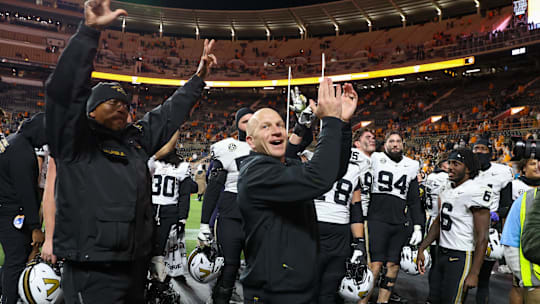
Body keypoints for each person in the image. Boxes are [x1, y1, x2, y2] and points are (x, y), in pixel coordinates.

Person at [44, 0, 216, 303]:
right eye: (112, 102)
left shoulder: (134, 141)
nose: (122, 107)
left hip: (135, 266)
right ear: (91, 111)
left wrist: (198, 80)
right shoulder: (73, 141)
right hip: (92, 268)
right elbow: (64, 92)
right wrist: (88, 34)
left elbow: (168, 115)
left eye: (126, 104)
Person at [237, 78, 355, 303]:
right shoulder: (256, 173)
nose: (277, 131)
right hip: (275, 292)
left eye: (280, 125)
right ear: (251, 141)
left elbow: (333, 171)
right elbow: (319, 177)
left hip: (299, 285)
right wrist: (330, 120)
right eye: (266, 126)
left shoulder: (287, 165)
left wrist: (342, 124)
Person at [311, 83, 364, 304]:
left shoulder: (347, 166)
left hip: (335, 230)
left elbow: (356, 207)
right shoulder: (303, 160)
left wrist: (342, 123)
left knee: (328, 292)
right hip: (312, 229)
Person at [417, 148, 491, 304]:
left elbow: (483, 236)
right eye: (449, 162)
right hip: (441, 252)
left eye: (456, 164)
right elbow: (439, 221)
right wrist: (423, 247)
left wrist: (474, 272)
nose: (450, 167)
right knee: (433, 298)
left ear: (468, 168)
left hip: (461, 256)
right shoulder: (447, 187)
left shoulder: (476, 190)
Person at [197, 107, 253, 303]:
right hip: (231, 214)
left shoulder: (269, 146)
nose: (250, 123)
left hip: (258, 218)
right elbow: (213, 188)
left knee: (259, 272)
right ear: (237, 124)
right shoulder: (227, 147)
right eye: (245, 121)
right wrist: (205, 223)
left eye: (253, 120)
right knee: (229, 267)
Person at [365, 131, 424, 304]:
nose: (395, 144)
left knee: (393, 265)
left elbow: (414, 200)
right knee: (374, 266)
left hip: (398, 221)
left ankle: (382, 301)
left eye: (398, 141)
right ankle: (363, 301)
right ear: (385, 145)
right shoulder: (375, 158)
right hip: (376, 218)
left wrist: (418, 226)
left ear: (403, 144)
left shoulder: (412, 165)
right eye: (391, 141)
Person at [0, 113, 47, 304]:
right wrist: (35, 227)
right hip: (12, 213)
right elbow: (26, 192)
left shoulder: (12, 142)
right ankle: (8, 299)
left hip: (4, 208)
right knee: (16, 260)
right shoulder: (23, 151)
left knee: (12, 260)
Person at [472, 139, 513, 304]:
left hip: (487, 230)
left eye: (483, 149)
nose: (479, 152)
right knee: (462, 275)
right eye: (476, 148)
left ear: (490, 152)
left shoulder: (502, 172)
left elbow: (507, 205)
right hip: (464, 229)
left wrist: (494, 214)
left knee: (483, 279)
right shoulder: (466, 169)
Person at [501, 160, 540, 304]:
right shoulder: (516, 188)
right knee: (517, 287)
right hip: (526, 256)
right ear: (524, 167)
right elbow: (505, 215)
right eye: (532, 164)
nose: (537, 167)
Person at [424, 153, 449, 303]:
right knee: (442, 264)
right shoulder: (443, 178)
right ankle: (437, 297)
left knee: (435, 264)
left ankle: (431, 297)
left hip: (431, 219)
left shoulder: (431, 177)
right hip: (441, 223)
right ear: (442, 165)